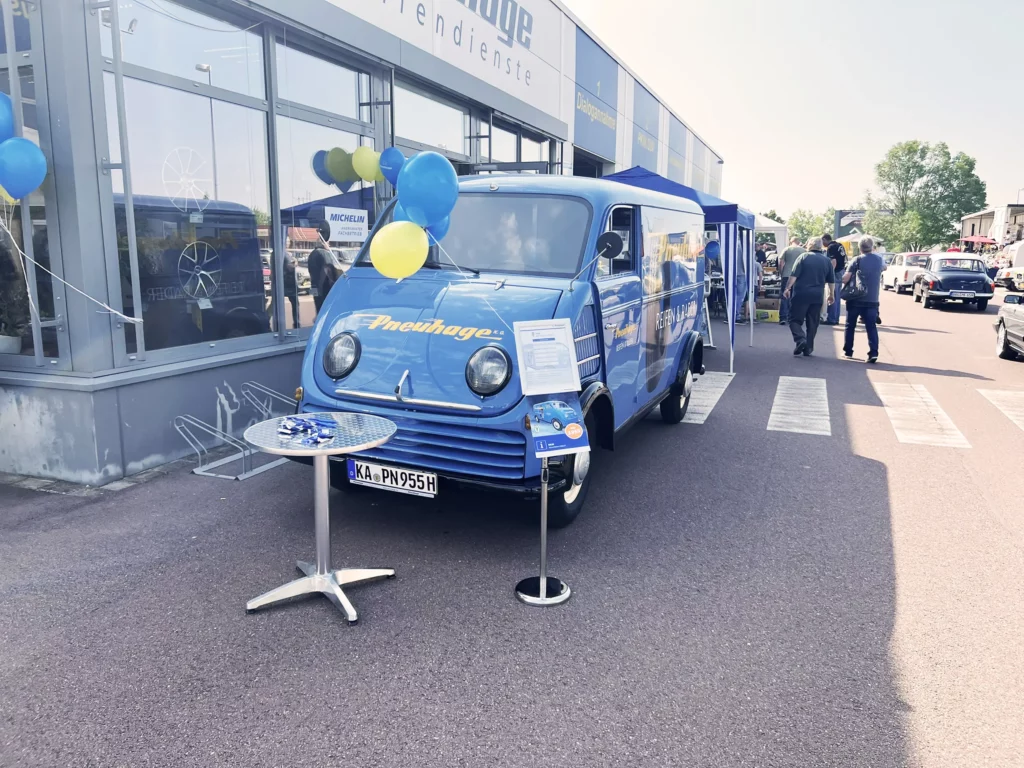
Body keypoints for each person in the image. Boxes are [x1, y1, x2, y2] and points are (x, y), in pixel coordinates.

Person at [782, 237, 834, 356]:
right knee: (813, 321)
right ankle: (808, 347)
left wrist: (787, 288)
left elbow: (793, 275)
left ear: (809, 245)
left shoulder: (803, 257)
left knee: (794, 319)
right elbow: (831, 280)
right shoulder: (826, 261)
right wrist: (831, 294)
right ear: (821, 246)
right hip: (817, 295)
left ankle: (800, 339)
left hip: (801, 293)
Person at [842, 235, 885, 363]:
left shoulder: (857, 260)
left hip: (856, 298)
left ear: (859, 247)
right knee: (871, 326)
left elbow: (846, 278)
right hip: (872, 299)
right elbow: (884, 268)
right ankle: (873, 352)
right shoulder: (879, 259)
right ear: (872, 247)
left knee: (850, 325)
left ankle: (848, 351)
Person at [307, 221, 341, 314]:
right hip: (323, 289)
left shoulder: (312, 254)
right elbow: (327, 270)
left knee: (318, 309)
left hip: (313, 287)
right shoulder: (324, 254)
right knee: (325, 312)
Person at [777, 237, 804, 325]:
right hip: (798, 276)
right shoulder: (803, 251)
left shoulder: (786, 249)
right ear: (799, 242)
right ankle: (794, 317)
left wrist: (782, 273)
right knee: (796, 297)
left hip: (786, 275)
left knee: (784, 296)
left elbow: (781, 263)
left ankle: (783, 317)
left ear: (791, 242)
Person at [821, 233, 847, 325]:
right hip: (841, 271)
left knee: (832, 295)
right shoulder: (839, 245)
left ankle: (831, 318)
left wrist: (829, 274)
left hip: (835, 272)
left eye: (822, 241)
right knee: (837, 296)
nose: (822, 244)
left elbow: (833, 261)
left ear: (825, 239)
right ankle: (835, 318)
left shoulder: (831, 247)